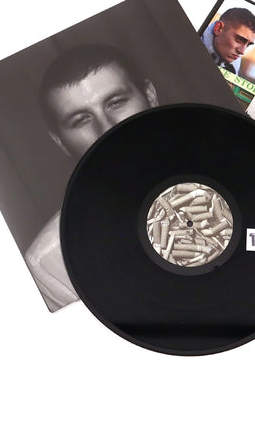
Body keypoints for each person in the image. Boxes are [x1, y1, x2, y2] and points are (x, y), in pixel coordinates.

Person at [25, 44, 159, 311]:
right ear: (60, 141)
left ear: (150, 96)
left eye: (116, 102)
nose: (107, 128)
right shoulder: (52, 263)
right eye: (80, 120)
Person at [201, 7, 255, 74]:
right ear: (218, 28)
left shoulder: (235, 62)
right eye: (240, 40)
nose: (242, 52)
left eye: (248, 45)